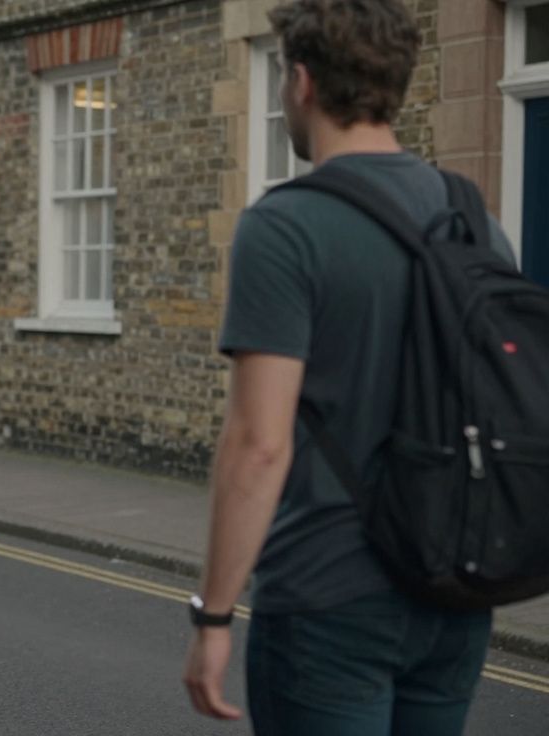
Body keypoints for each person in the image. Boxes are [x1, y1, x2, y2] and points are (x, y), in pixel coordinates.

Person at [182, 1, 515, 734]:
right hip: (454, 591)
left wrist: (212, 615)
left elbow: (258, 445)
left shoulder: (284, 226)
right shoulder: (474, 221)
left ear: (301, 82)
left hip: (329, 595)